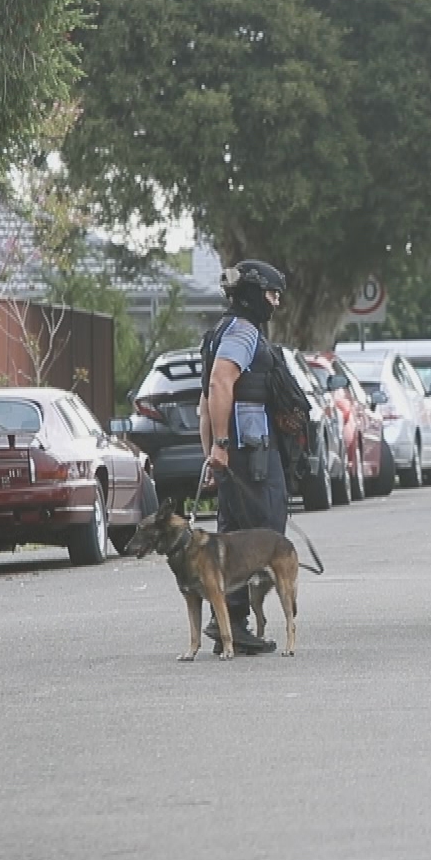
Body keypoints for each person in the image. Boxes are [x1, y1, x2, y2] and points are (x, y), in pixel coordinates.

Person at [197, 259, 289, 655]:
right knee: (264, 537)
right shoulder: (243, 332)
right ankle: (233, 620)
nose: (276, 303)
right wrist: (220, 445)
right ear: (253, 294)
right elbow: (219, 384)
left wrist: (213, 455)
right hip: (250, 455)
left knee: (231, 536)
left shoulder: (220, 331)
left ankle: (228, 623)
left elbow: (205, 400)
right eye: (272, 294)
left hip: (234, 455)